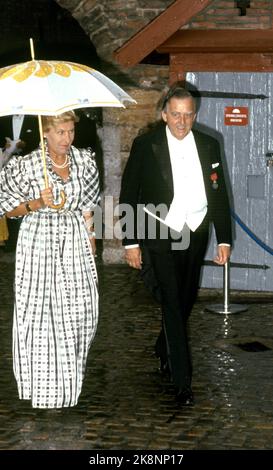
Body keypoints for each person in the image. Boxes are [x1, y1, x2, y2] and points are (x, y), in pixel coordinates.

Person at [119, 84, 232, 405]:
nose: (182, 122)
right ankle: (182, 379)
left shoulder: (210, 145)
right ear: (164, 114)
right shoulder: (146, 145)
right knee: (171, 299)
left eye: (188, 115)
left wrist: (224, 238)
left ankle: (163, 345)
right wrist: (131, 241)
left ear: (194, 115)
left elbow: (219, 195)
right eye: (176, 114)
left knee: (186, 298)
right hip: (160, 231)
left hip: (196, 232)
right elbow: (129, 195)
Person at [0, 111, 100, 408]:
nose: (67, 139)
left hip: (74, 237)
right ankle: (48, 391)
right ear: (46, 132)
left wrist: (91, 235)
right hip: (38, 239)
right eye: (60, 133)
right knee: (42, 315)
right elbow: (8, 210)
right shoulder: (26, 165)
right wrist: (36, 202)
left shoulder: (85, 161)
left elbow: (88, 205)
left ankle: (71, 376)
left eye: (70, 132)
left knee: (83, 310)